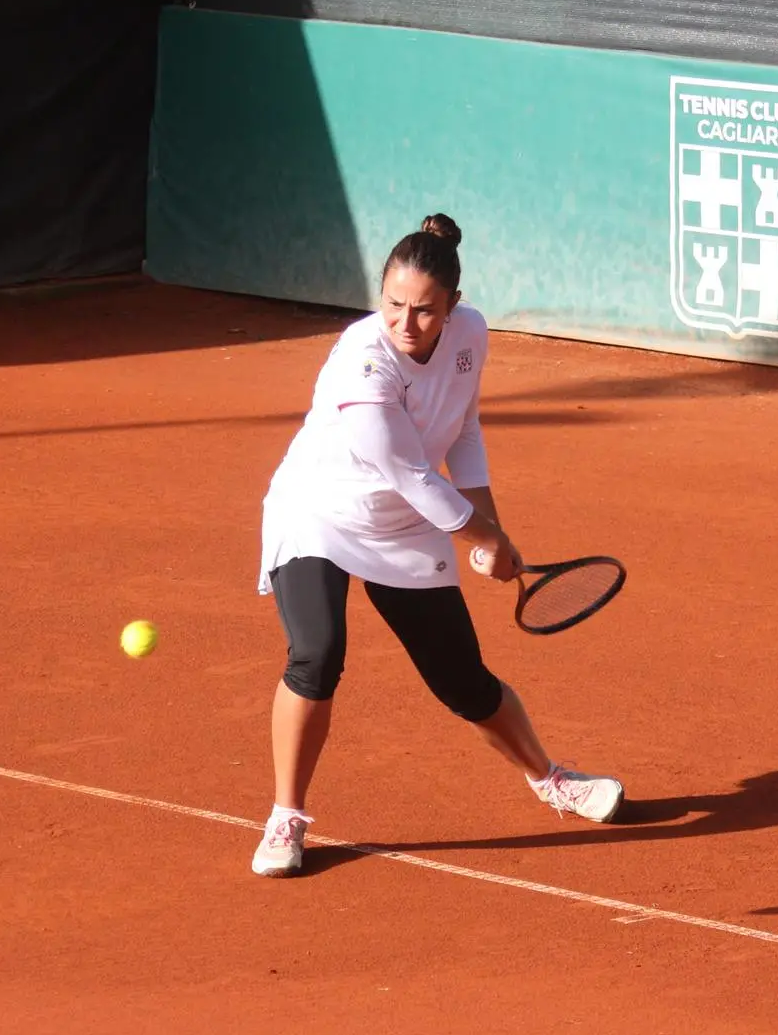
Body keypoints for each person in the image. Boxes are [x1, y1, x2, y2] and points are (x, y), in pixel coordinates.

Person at [251, 213, 624, 878]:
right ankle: (287, 815)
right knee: (317, 653)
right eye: (393, 304)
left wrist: (491, 530)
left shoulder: (470, 335)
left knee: (461, 678)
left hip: (406, 526)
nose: (405, 322)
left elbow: (463, 430)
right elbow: (412, 476)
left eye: (424, 310)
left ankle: (550, 778)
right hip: (319, 513)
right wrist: (484, 537)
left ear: (452, 304)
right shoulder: (362, 365)